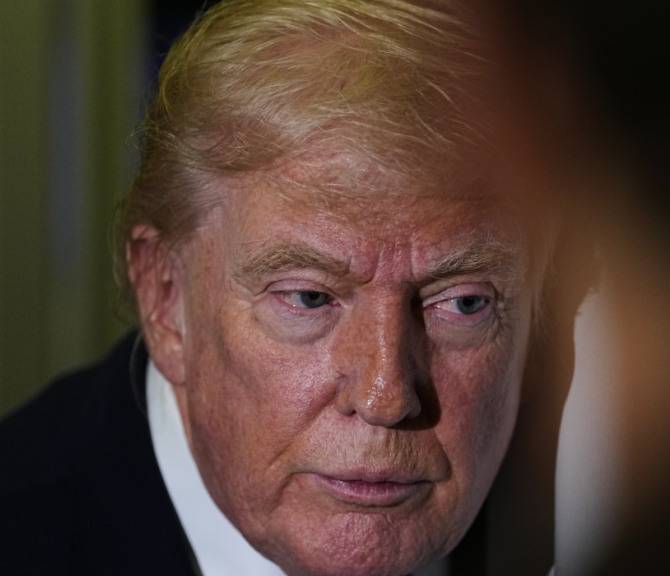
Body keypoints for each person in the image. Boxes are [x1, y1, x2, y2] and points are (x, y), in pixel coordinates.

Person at [0, 1, 588, 575]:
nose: (387, 396)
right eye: (309, 298)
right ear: (164, 296)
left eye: (462, 303)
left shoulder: (624, 522)